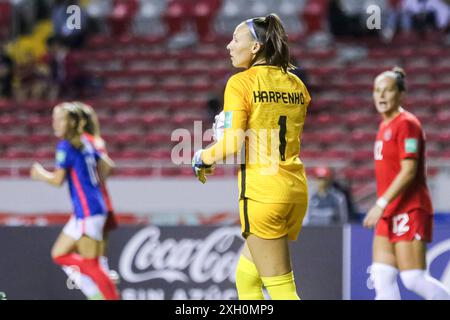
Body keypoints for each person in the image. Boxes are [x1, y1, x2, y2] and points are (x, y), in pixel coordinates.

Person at [192, 14, 311, 300]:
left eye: (235, 39)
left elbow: (233, 143)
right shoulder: (297, 85)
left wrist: (202, 156)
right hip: (294, 189)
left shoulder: (240, 83)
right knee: (246, 278)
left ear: (255, 47)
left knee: (283, 291)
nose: (228, 46)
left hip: (263, 194)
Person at [363, 67, 450, 300]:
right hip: (388, 210)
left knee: (413, 279)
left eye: (388, 90)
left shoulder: (407, 123)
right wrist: (383, 206)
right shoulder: (384, 126)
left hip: (409, 208)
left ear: (401, 94)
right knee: (382, 275)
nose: (381, 96)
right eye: (377, 91)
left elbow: (409, 170)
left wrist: (380, 203)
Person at [30, 102, 119, 300]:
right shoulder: (86, 141)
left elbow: (58, 180)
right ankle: (99, 289)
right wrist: (94, 184)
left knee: (93, 266)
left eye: (59, 119)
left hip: (88, 210)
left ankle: (104, 294)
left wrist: (39, 174)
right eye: (54, 119)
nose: (54, 123)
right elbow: (108, 166)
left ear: (71, 122)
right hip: (89, 208)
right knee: (60, 254)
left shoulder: (66, 145)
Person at [74, 101, 120, 284]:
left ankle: (102, 285)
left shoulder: (83, 142)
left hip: (90, 202)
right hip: (101, 200)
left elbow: (106, 168)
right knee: (100, 257)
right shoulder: (97, 141)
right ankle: (105, 282)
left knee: (86, 257)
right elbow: (108, 168)